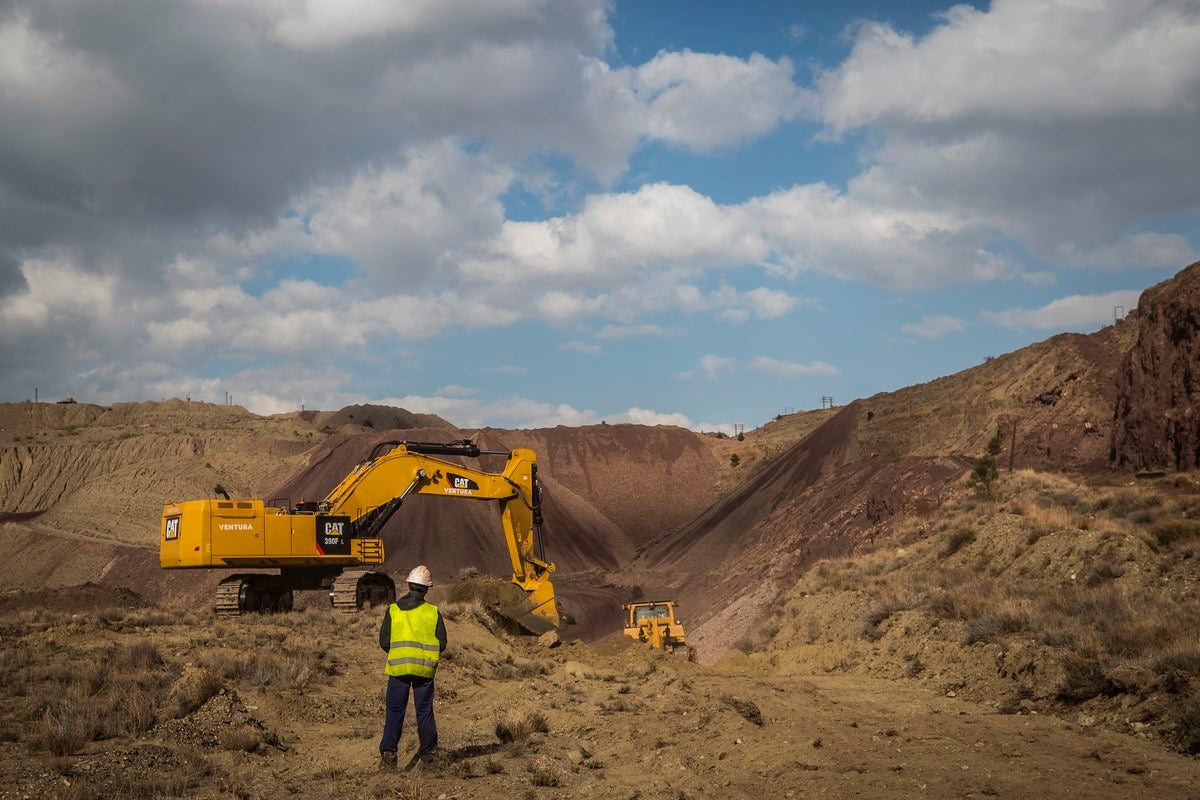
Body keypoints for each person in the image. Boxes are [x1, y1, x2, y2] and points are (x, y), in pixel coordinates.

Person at [378, 565, 447, 770]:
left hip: (398, 671)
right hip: (424, 672)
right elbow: (442, 643)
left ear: (408, 585)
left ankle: (389, 757)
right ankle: (429, 758)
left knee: (394, 713)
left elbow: (384, 641)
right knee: (424, 712)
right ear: (426, 589)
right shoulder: (433, 612)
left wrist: (400, 654)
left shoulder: (393, 610)